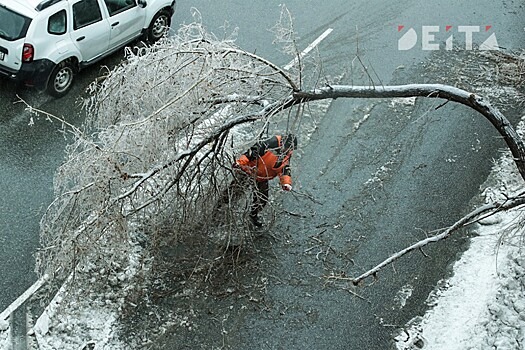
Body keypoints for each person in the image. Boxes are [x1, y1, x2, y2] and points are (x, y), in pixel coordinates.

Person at [233, 134, 297, 227]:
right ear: (283, 144)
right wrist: (239, 163)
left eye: (291, 149)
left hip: (262, 178)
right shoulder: (269, 144)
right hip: (247, 171)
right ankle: (219, 210)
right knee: (233, 192)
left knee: (262, 200)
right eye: (288, 148)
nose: (289, 151)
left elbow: (284, 169)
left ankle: (253, 216)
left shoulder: (286, 154)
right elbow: (249, 154)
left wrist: (286, 183)